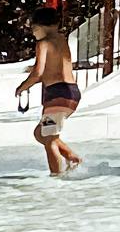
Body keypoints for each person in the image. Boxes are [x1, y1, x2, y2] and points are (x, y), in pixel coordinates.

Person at [14, 21, 84, 176]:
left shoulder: (43, 43)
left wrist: (23, 86)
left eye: (34, 29)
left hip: (57, 95)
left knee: (49, 137)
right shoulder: (61, 41)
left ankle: (56, 176)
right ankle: (71, 157)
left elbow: (38, 72)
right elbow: (50, 71)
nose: (33, 33)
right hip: (70, 93)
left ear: (44, 26)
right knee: (40, 133)